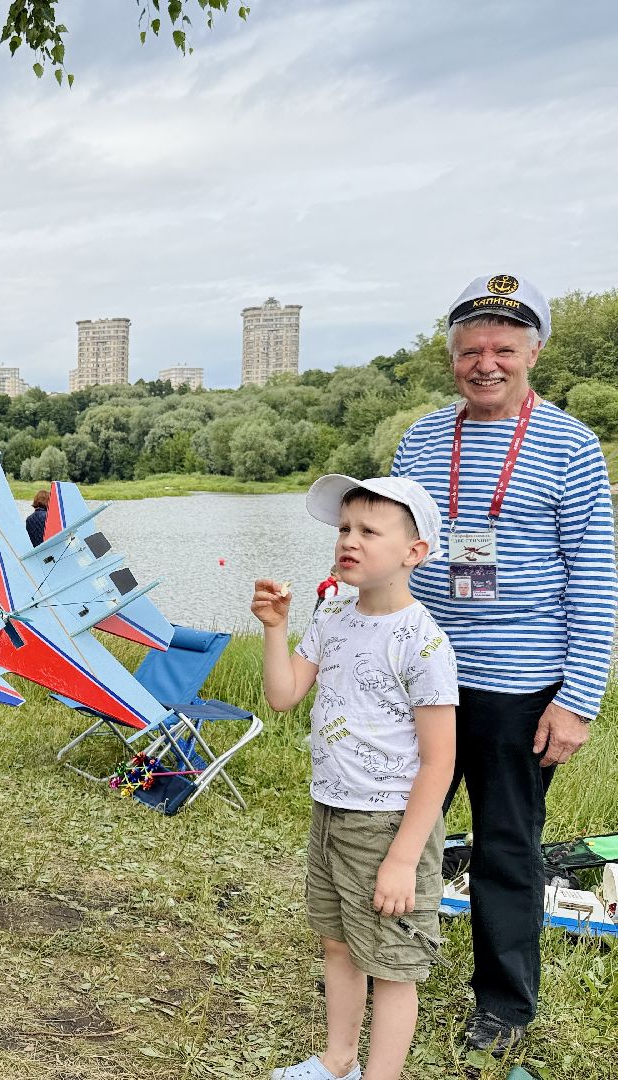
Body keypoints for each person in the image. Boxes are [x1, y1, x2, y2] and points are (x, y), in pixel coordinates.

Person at [390, 273, 617, 1051]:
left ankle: (504, 1005)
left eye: (503, 349)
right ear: (451, 357)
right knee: (399, 828)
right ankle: (387, 962)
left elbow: (594, 573)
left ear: (534, 354)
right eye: (469, 350)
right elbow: (395, 545)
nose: (485, 363)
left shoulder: (572, 445)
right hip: (424, 675)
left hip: (520, 687)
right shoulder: (421, 437)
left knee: (505, 845)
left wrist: (579, 698)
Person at [253, 475, 458, 1080]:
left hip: (388, 822)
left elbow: (439, 761)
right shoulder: (334, 614)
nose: (350, 540)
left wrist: (402, 858)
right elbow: (285, 694)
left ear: (413, 552)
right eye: (345, 528)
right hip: (330, 811)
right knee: (338, 944)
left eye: (370, 530)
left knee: (392, 967)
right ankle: (337, 1060)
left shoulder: (422, 643)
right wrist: (274, 628)